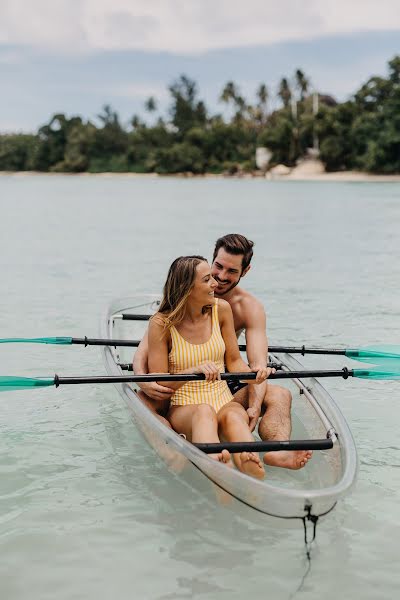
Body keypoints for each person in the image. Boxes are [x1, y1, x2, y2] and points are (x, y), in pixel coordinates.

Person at [134, 234, 312, 470]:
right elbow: (144, 350)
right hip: (181, 384)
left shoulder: (245, 307)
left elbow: (254, 363)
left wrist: (254, 405)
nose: (220, 277)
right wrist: (143, 380)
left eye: (232, 271)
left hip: (223, 381)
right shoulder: (179, 298)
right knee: (141, 399)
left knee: (279, 394)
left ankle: (278, 451)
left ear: (245, 272)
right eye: (218, 267)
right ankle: (173, 447)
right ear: (212, 260)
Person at [147, 255, 266, 479]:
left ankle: (250, 465)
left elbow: (233, 362)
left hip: (222, 398)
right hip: (185, 404)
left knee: (234, 417)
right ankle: (218, 467)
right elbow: (160, 381)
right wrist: (192, 372)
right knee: (204, 412)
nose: (215, 284)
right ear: (187, 288)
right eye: (207, 279)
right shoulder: (160, 324)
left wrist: (254, 375)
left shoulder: (222, 309)